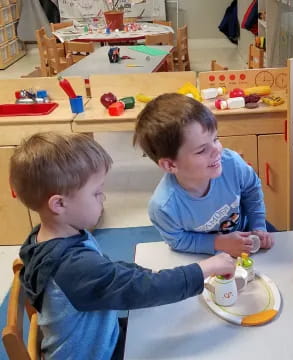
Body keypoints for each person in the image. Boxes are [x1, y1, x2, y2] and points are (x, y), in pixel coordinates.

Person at [10, 132, 236, 360]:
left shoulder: (46, 238)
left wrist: (151, 273)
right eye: (96, 193)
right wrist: (206, 268)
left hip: (103, 334)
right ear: (59, 203)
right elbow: (142, 289)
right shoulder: (71, 266)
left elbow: (109, 272)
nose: (103, 198)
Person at [134, 93, 274, 257]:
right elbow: (178, 240)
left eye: (215, 139)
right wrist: (219, 243)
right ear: (171, 164)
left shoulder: (232, 164)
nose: (217, 150)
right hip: (207, 253)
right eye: (201, 150)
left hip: (249, 230)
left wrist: (258, 226)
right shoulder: (164, 207)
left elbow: (252, 189)